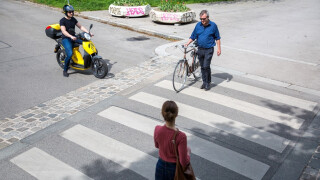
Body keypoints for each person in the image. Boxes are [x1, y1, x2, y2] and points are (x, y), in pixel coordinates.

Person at [154, 101, 191, 180]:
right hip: (174, 169)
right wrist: (188, 153)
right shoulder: (181, 136)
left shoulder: (157, 129)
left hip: (160, 165)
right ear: (176, 114)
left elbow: (157, 145)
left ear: (162, 113)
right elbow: (183, 162)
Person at [185, 10, 221, 91]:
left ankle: (208, 82)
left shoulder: (213, 26)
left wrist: (219, 49)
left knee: (206, 66)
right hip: (200, 49)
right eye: (201, 19)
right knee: (202, 67)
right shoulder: (198, 25)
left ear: (208, 17)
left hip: (209, 49)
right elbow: (193, 36)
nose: (202, 21)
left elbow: (218, 38)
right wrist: (187, 43)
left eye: (204, 19)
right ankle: (204, 82)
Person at [60, 4, 93, 77]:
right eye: (70, 12)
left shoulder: (73, 19)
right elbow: (63, 31)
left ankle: (86, 59)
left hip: (74, 37)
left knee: (86, 43)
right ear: (66, 12)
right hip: (66, 38)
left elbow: (80, 26)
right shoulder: (62, 21)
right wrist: (71, 36)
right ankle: (65, 70)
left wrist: (88, 32)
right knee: (70, 54)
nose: (71, 13)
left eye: (72, 11)